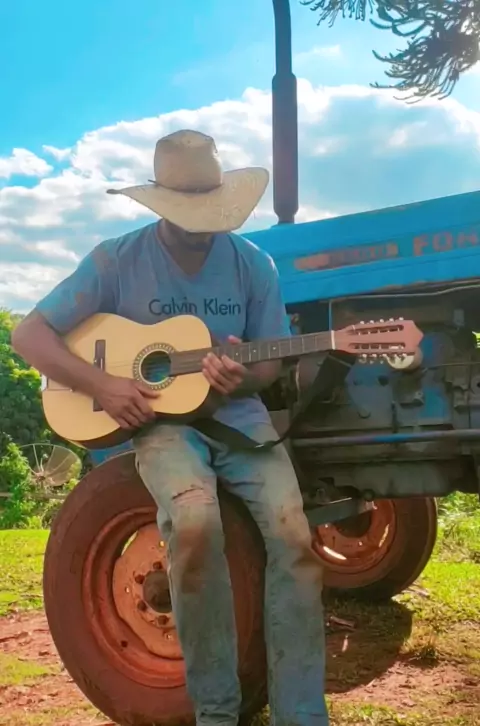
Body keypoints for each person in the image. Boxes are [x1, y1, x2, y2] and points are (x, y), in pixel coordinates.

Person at [12, 129, 328, 726]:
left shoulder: (252, 264)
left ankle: (303, 714)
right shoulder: (116, 259)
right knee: (194, 522)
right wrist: (103, 386)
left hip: (239, 420)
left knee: (294, 536)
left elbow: (271, 362)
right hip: (161, 425)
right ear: (160, 203)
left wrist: (243, 377)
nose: (200, 226)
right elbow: (28, 335)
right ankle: (216, 711)